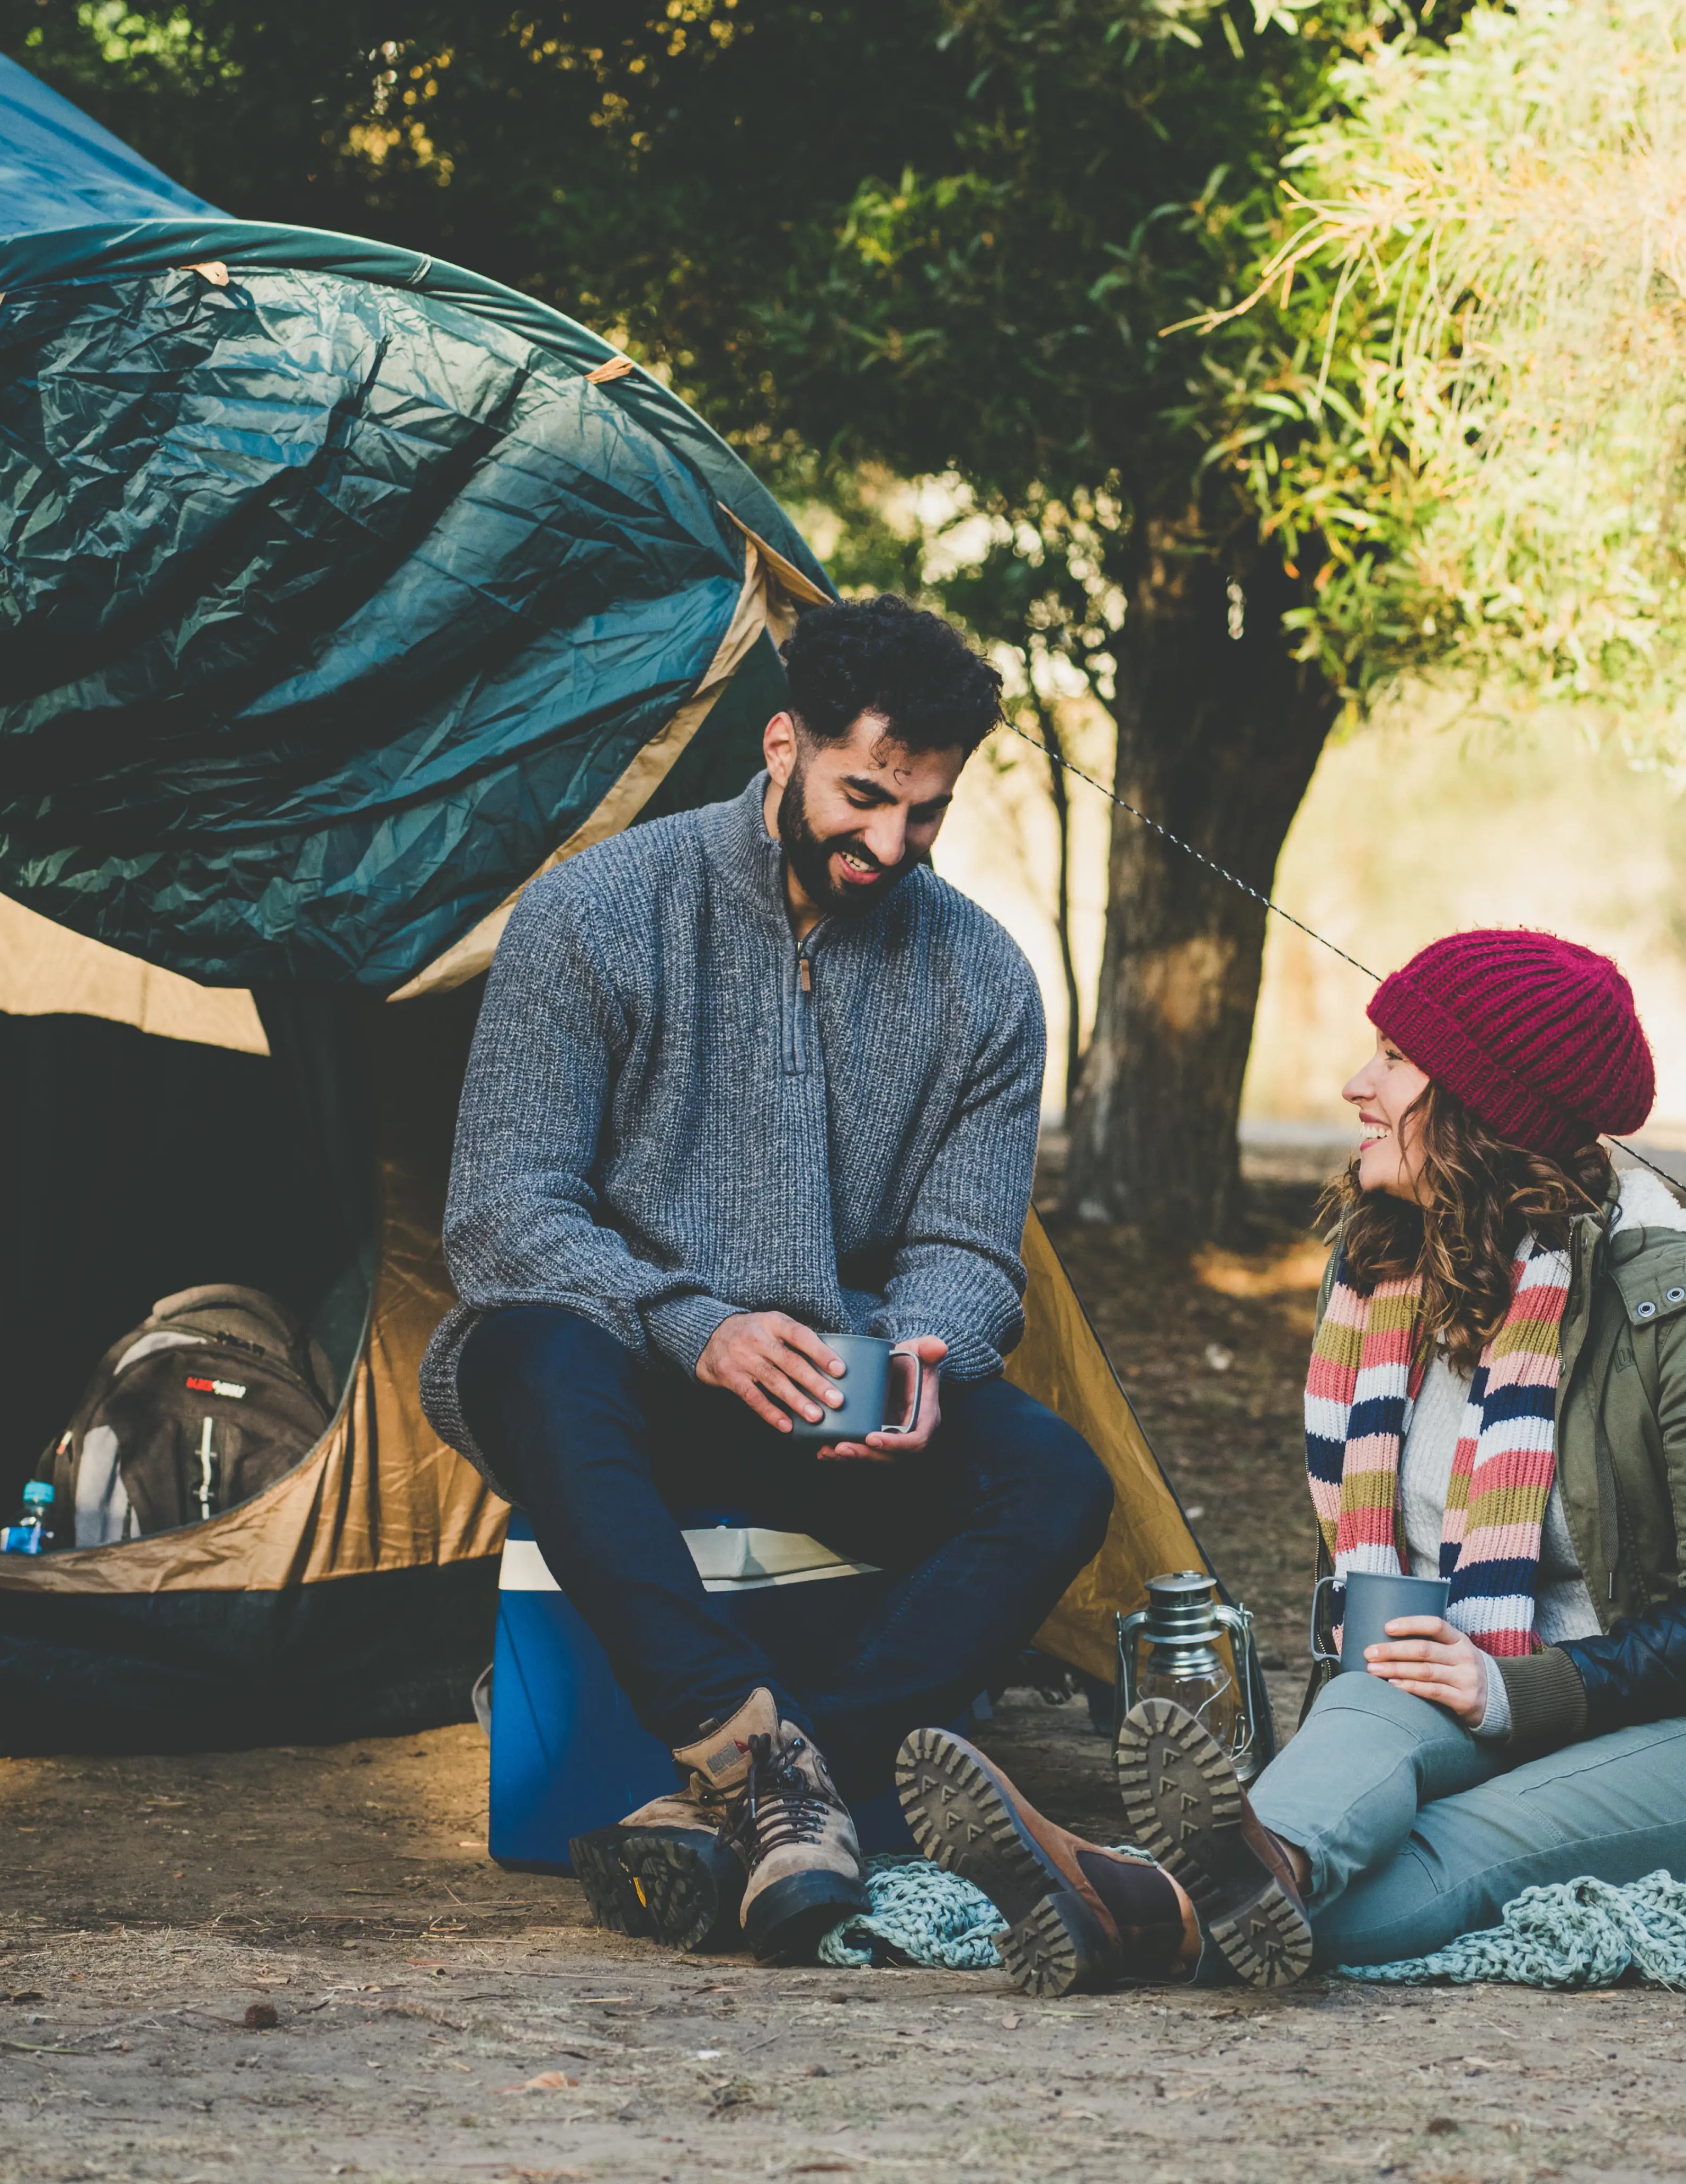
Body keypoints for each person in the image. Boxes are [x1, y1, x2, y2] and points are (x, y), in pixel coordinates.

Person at [897, 927, 1686, 1994]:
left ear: (1482, 1102)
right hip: (1452, 1687)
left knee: (1471, 1840)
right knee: (1368, 1709)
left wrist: (1520, 1688)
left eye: (1393, 1059)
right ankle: (1213, 1886)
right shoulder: (1379, 1284)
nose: (1353, 1085)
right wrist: (1460, 1683)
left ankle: (1129, 1901)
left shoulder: (1673, 1307)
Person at [422, 595, 1113, 1966]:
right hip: (625, 1373)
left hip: (831, 1392)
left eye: (923, 811)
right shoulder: (594, 913)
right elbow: (502, 1214)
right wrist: (694, 1325)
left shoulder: (981, 978)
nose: (888, 842)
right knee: (526, 1352)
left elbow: (968, 1251)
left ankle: (756, 1798)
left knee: (1053, 1479)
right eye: (862, 794)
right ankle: (758, 1754)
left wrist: (922, 1352)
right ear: (782, 742)